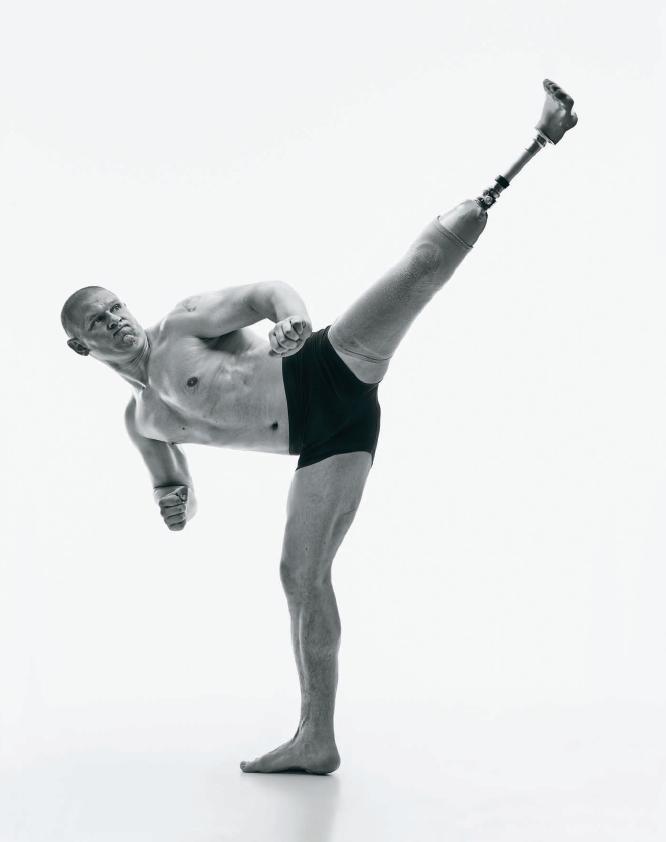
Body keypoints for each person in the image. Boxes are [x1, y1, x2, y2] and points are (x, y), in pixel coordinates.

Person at [61, 79, 578, 774]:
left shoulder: (182, 326)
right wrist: (173, 503)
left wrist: (292, 320)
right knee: (300, 575)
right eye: (98, 322)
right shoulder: (144, 420)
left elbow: (265, 292)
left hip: (328, 365)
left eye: (115, 307)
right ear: (82, 347)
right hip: (325, 442)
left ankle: (538, 140)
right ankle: (316, 739)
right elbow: (173, 487)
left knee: (421, 267)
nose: (115, 321)